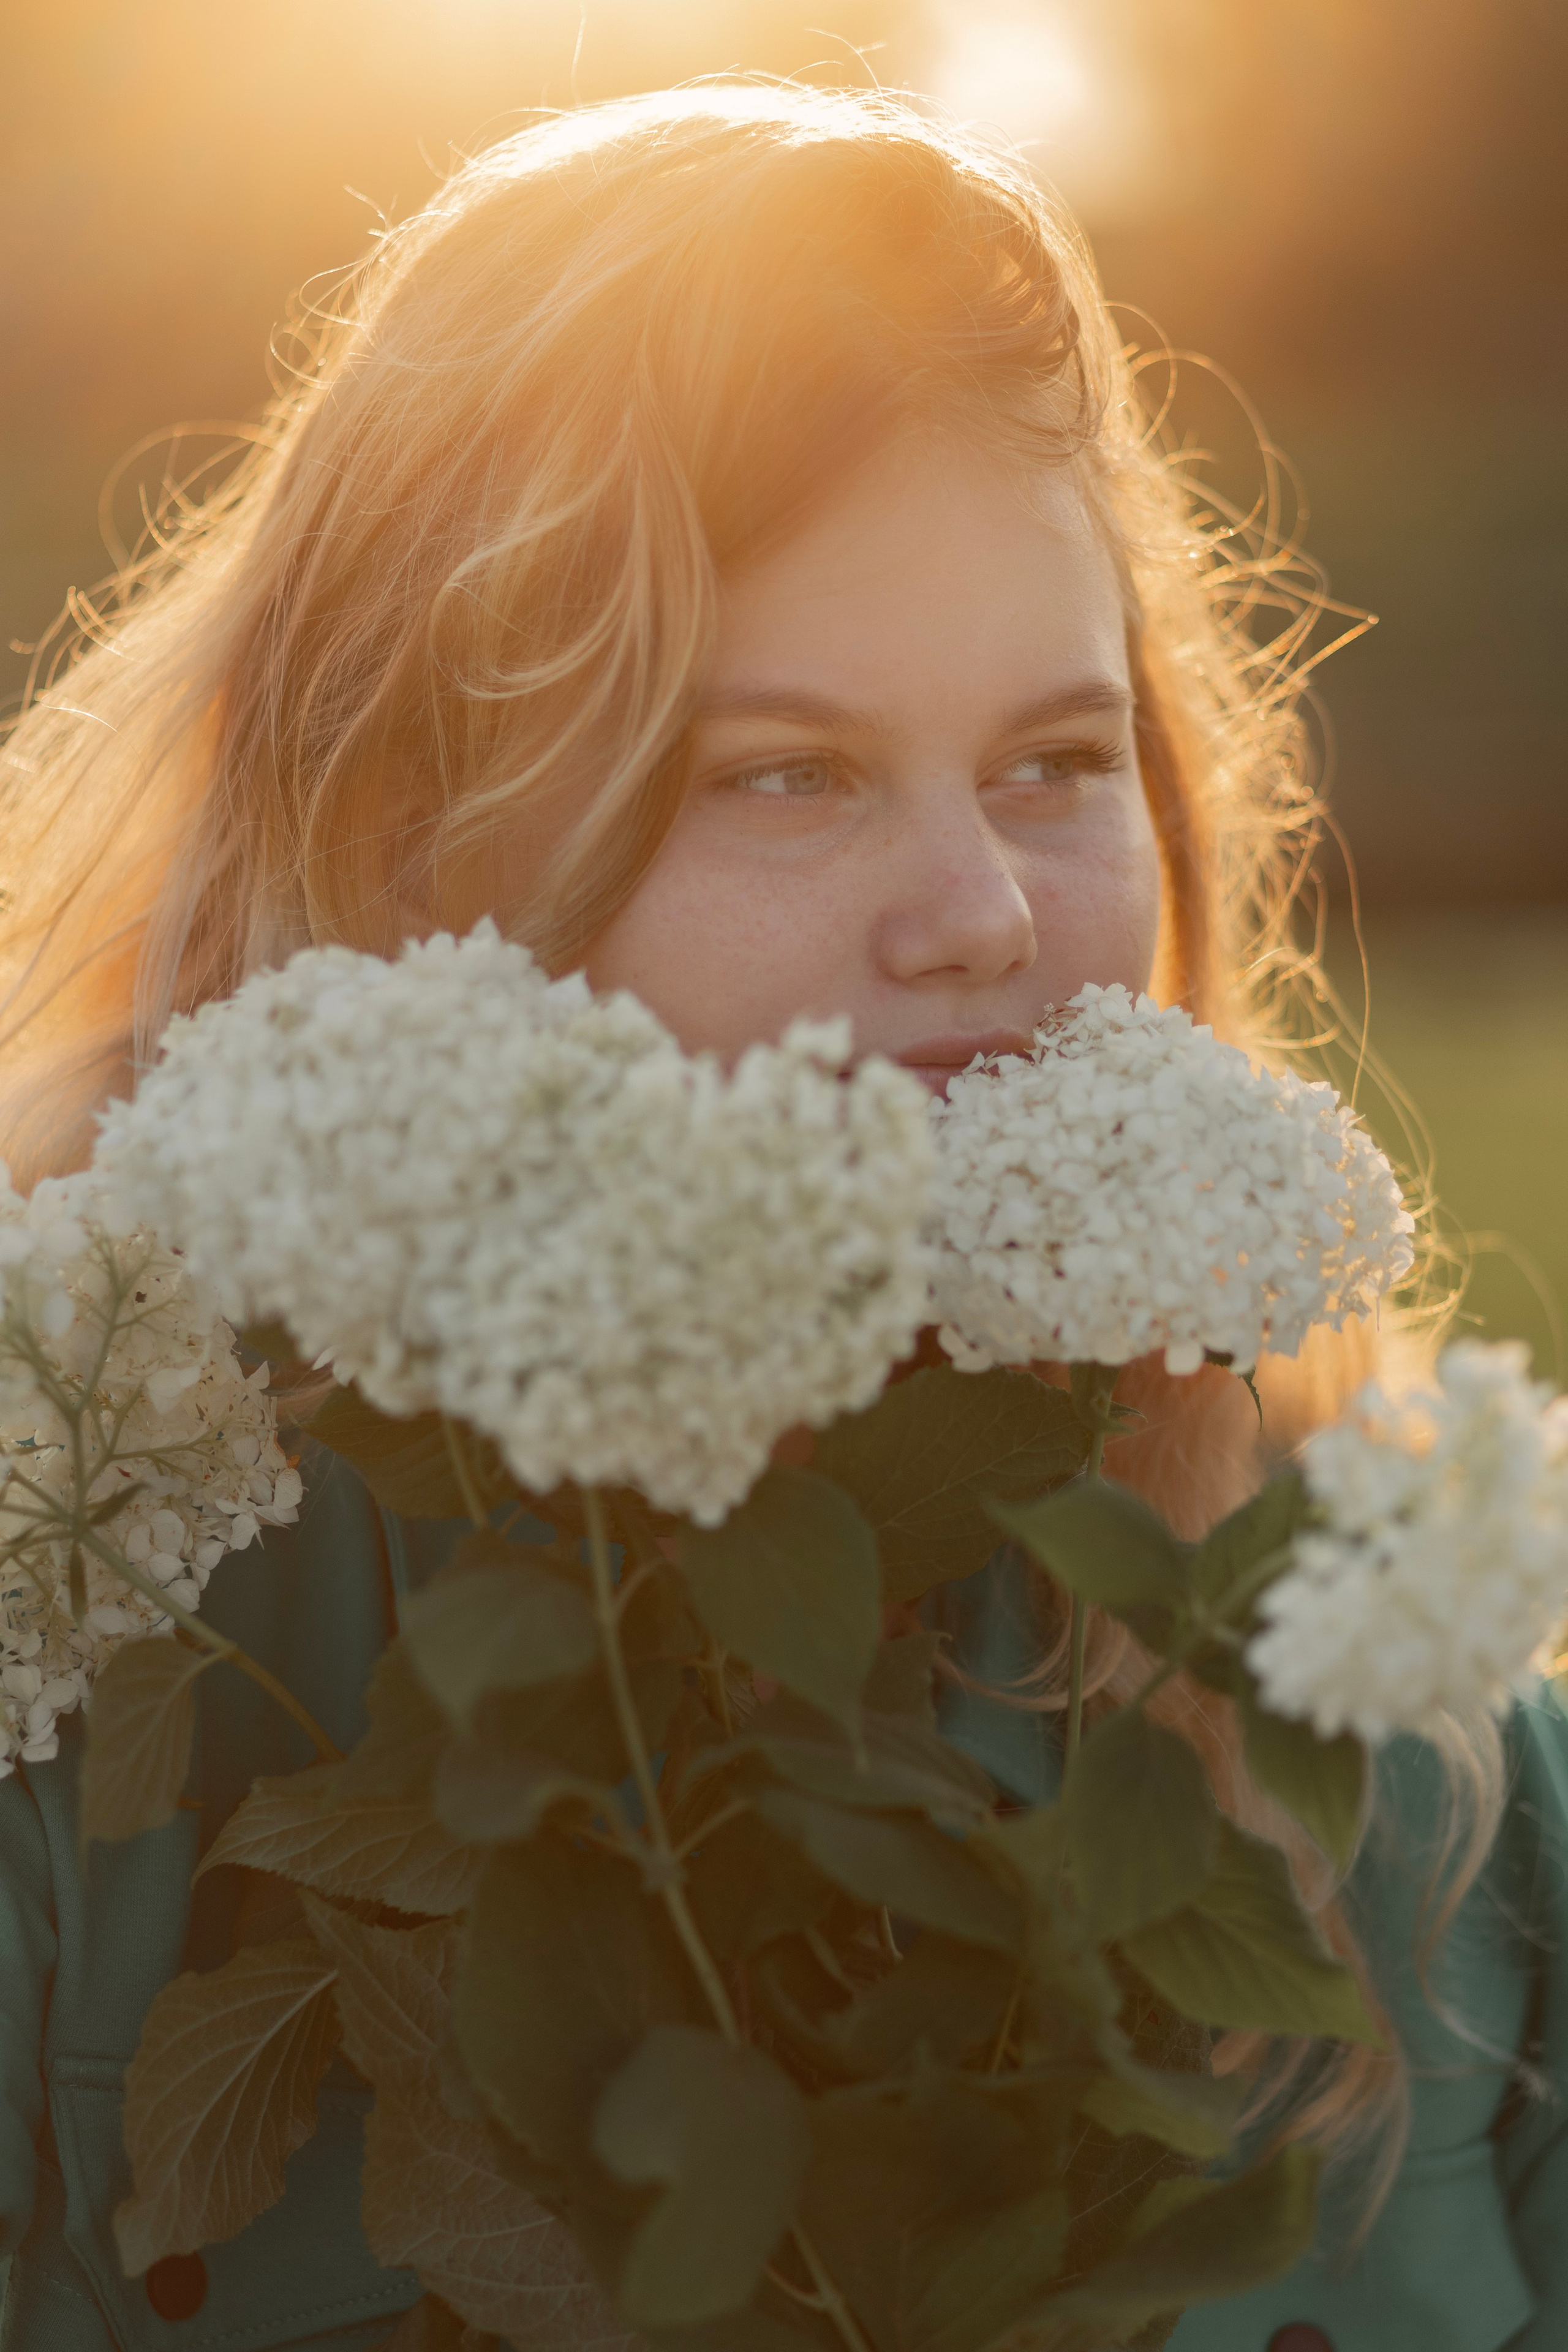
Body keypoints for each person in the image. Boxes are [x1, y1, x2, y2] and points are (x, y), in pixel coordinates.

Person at [0, 81, 1562, 2352]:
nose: (982, 912)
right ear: (407, 855)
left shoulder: (1364, 1671)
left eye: (1056, 756)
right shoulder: (94, 1583)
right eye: (784, 775)